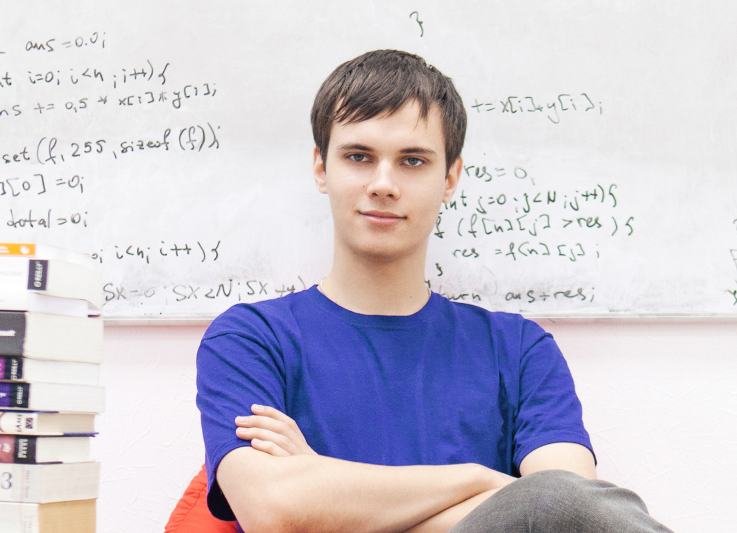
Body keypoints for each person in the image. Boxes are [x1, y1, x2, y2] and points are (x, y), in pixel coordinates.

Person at [196, 50, 672, 533]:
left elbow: (571, 514)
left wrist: (323, 487)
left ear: (450, 178)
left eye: (412, 161)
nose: (383, 184)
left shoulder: (519, 349)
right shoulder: (249, 339)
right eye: (358, 157)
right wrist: (484, 480)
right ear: (321, 168)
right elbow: (273, 509)